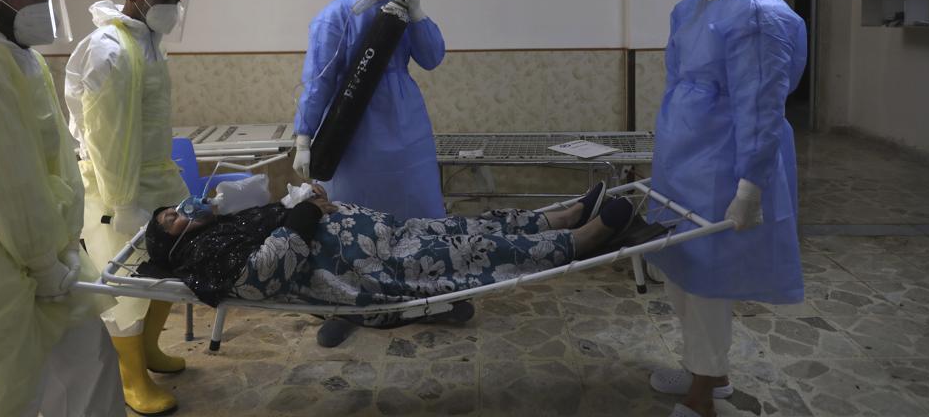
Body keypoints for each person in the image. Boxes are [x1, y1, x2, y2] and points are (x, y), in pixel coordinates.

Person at [0, 0, 125, 417]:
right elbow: (2, 181)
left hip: (44, 246)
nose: (45, 6)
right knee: (9, 388)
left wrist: (59, 246)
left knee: (87, 364)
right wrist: (41, 263)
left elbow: (51, 158)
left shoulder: (18, 57)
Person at [648, 0, 807, 417]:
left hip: (722, 163)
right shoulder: (686, 11)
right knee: (680, 270)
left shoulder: (761, 14)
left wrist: (751, 186)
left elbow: (762, 106)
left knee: (708, 280)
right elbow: (678, 84)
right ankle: (706, 372)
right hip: (681, 158)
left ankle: (703, 398)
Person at [293, 0, 447, 343]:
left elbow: (432, 57)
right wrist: (304, 136)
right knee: (352, 219)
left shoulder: (400, 7)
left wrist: (418, 12)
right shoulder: (335, 16)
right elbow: (318, 81)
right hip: (354, 130)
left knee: (417, 209)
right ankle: (346, 304)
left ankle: (428, 295)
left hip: (406, 125)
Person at [143, 182, 637, 311]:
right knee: (472, 253)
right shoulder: (199, 257)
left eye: (176, 206)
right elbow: (261, 275)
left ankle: (555, 218)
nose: (184, 209)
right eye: (172, 218)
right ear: (173, 243)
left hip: (381, 233)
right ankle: (576, 241)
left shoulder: (221, 226)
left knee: (465, 229)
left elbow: (284, 219)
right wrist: (305, 213)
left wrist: (307, 199)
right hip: (366, 266)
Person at [65, 0, 192, 415]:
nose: (171, 8)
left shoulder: (148, 42)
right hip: (120, 186)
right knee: (127, 287)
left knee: (166, 273)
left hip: (156, 177)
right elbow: (107, 136)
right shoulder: (109, 50)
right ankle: (132, 377)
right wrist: (122, 204)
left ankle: (150, 349)